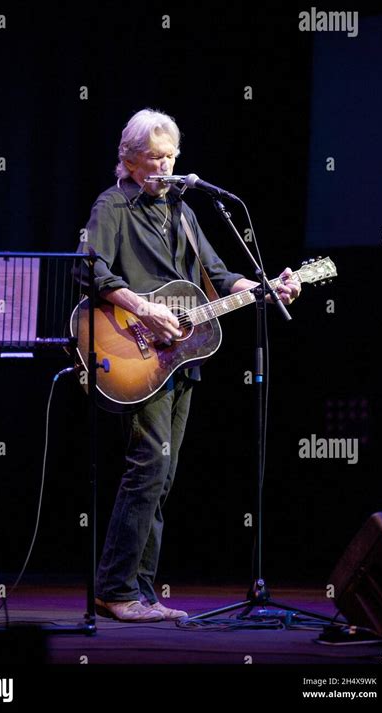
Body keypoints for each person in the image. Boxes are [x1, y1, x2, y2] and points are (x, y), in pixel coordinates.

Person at [77, 108, 301, 622]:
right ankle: (116, 590)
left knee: (165, 473)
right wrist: (144, 308)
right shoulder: (112, 206)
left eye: (170, 157)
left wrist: (264, 289)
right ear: (129, 161)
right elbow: (88, 271)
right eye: (154, 159)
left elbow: (220, 276)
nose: (164, 167)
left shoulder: (184, 210)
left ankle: (141, 591)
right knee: (148, 466)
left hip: (179, 357)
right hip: (132, 349)